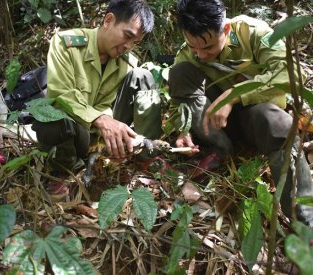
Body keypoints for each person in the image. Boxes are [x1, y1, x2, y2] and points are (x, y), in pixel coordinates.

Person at [166, 0, 313, 226]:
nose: (201, 54)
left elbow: (289, 74)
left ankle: (305, 222)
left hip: (257, 117)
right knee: (180, 73)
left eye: (208, 47)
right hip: (216, 125)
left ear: (225, 29)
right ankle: (218, 148)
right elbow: (179, 99)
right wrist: (183, 128)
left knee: (279, 123)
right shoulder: (188, 53)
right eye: (194, 47)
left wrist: (236, 94)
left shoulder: (252, 32)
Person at [32, 0, 162, 196]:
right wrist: (102, 121)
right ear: (109, 20)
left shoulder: (126, 62)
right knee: (49, 112)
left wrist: (112, 127)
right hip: (74, 130)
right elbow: (60, 94)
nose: (128, 46)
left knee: (142, 76)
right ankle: (63, 171)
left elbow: (106, 104)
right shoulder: (66, 44)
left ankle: (146, 155)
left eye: (135, 42)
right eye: (127, 36)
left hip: (99, 135)